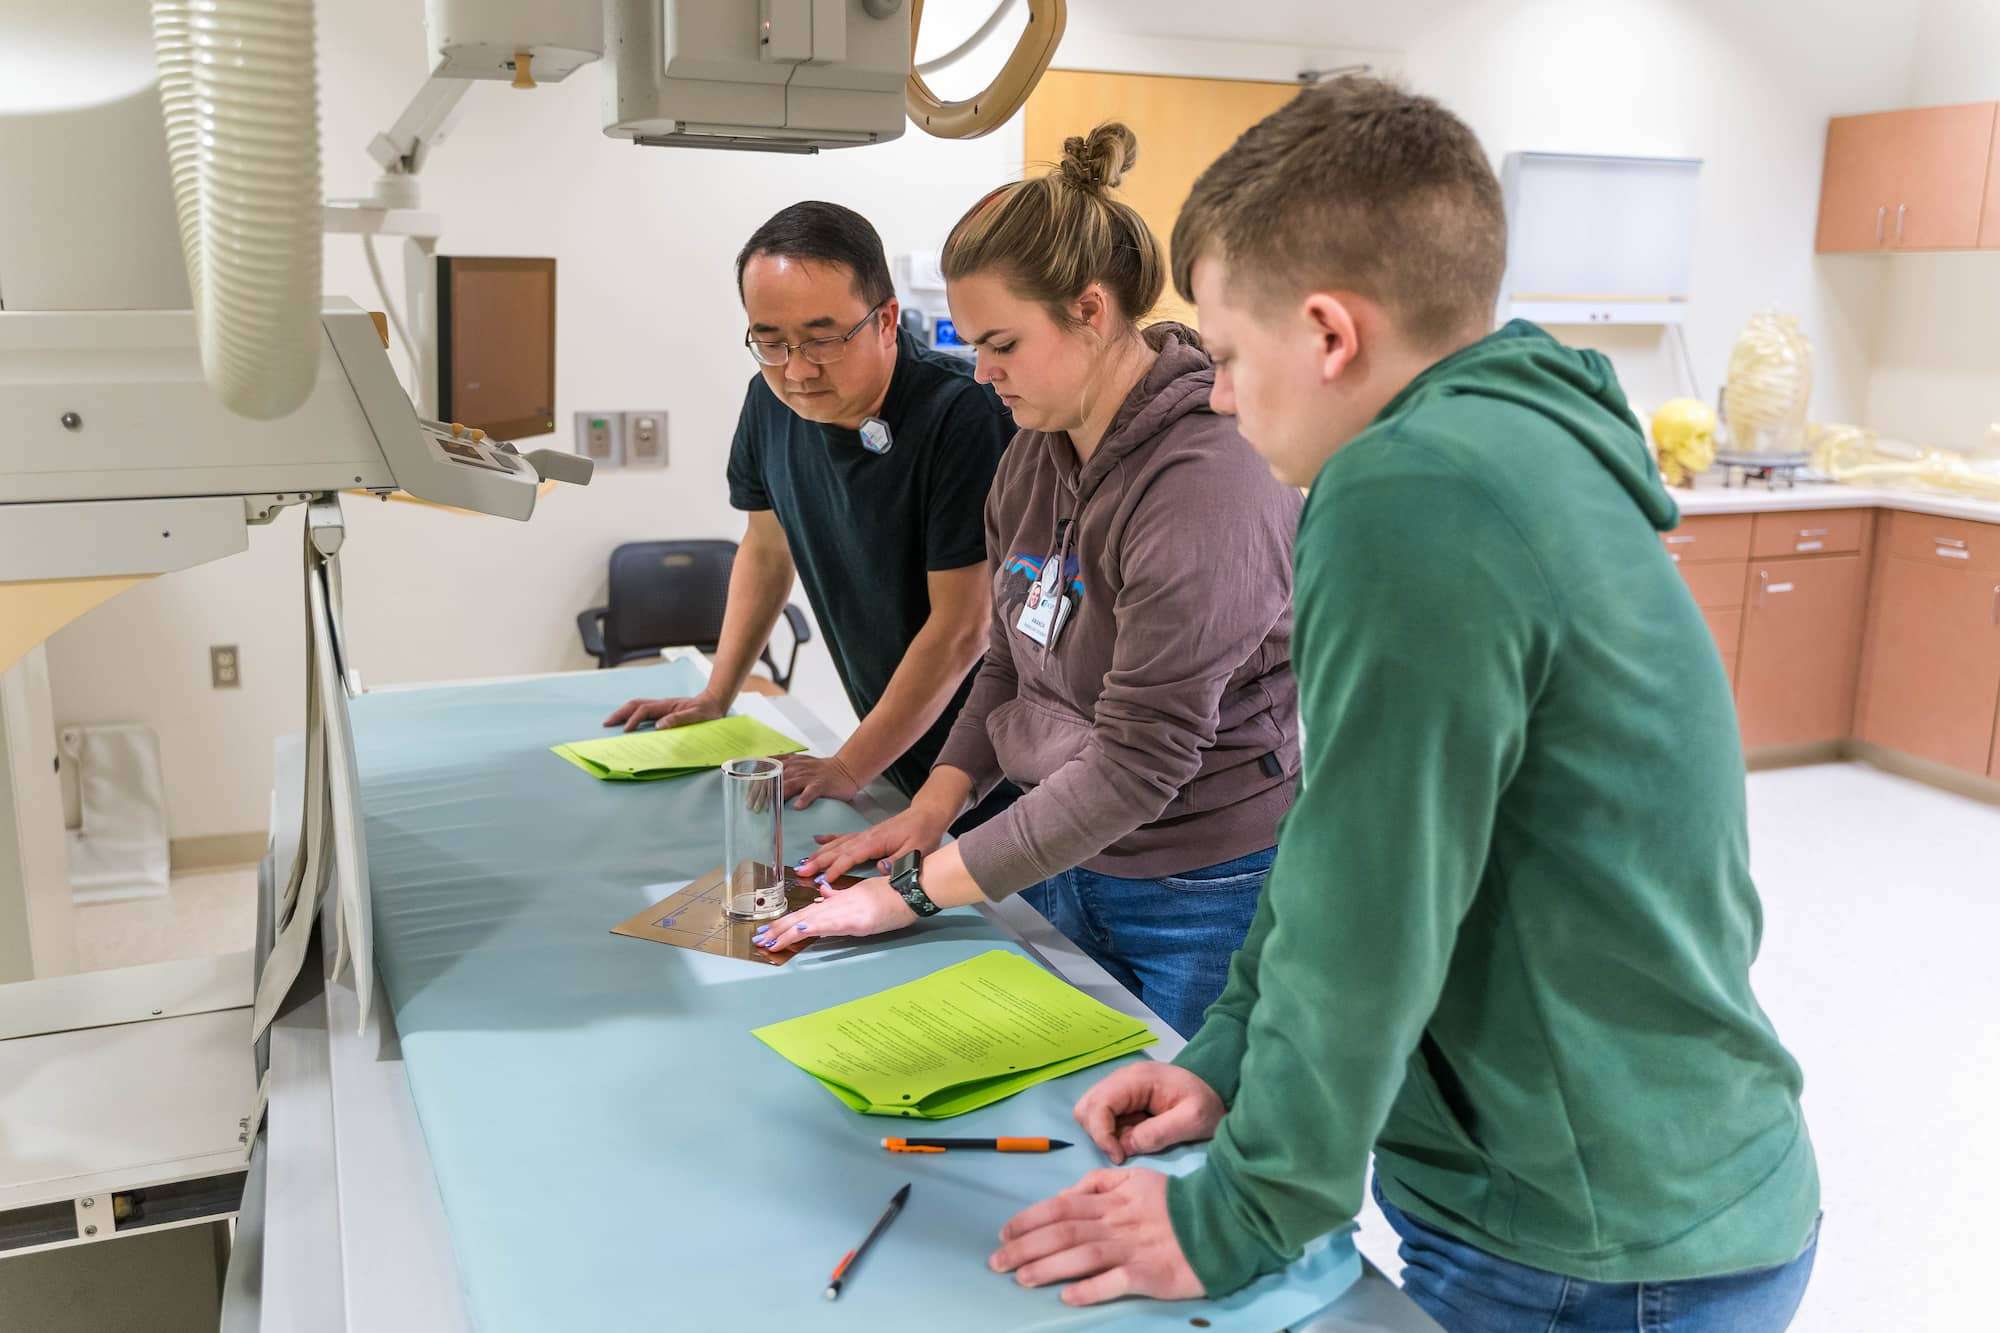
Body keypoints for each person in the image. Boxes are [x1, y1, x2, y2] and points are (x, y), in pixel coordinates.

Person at [987, 78, 1822, 1332]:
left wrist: (1237, 1215)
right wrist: (1220, 1057)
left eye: (1222, 355)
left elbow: (1372, 912)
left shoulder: (1409, 487)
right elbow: (1340, 838)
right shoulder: (1510, 442)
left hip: (1587, 1239)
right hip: (1660, 1181)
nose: (1216, 396)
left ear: (1327, 333)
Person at [754, 126, 1303, 1042]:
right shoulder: (1034, 458)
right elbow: (1010, 666)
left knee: (1174, 1152)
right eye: (973, 344)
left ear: (1089, 310)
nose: (981, 370)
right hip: (1057, 853)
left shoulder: (1208, 481)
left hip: (1199, 890)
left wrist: (913, 895)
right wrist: (930, 814)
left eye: (1002, 342)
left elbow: (1139, 763)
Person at [606, 202, 1015, 829]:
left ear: (885, 320)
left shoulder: (966, 417)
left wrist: (848, 767)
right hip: (899, 754)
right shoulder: (769, 403)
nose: (796, 369)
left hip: (996, 772)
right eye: (769, 341)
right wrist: (719, 694)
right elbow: (767, 551)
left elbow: (964, 627)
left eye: (822, 339)